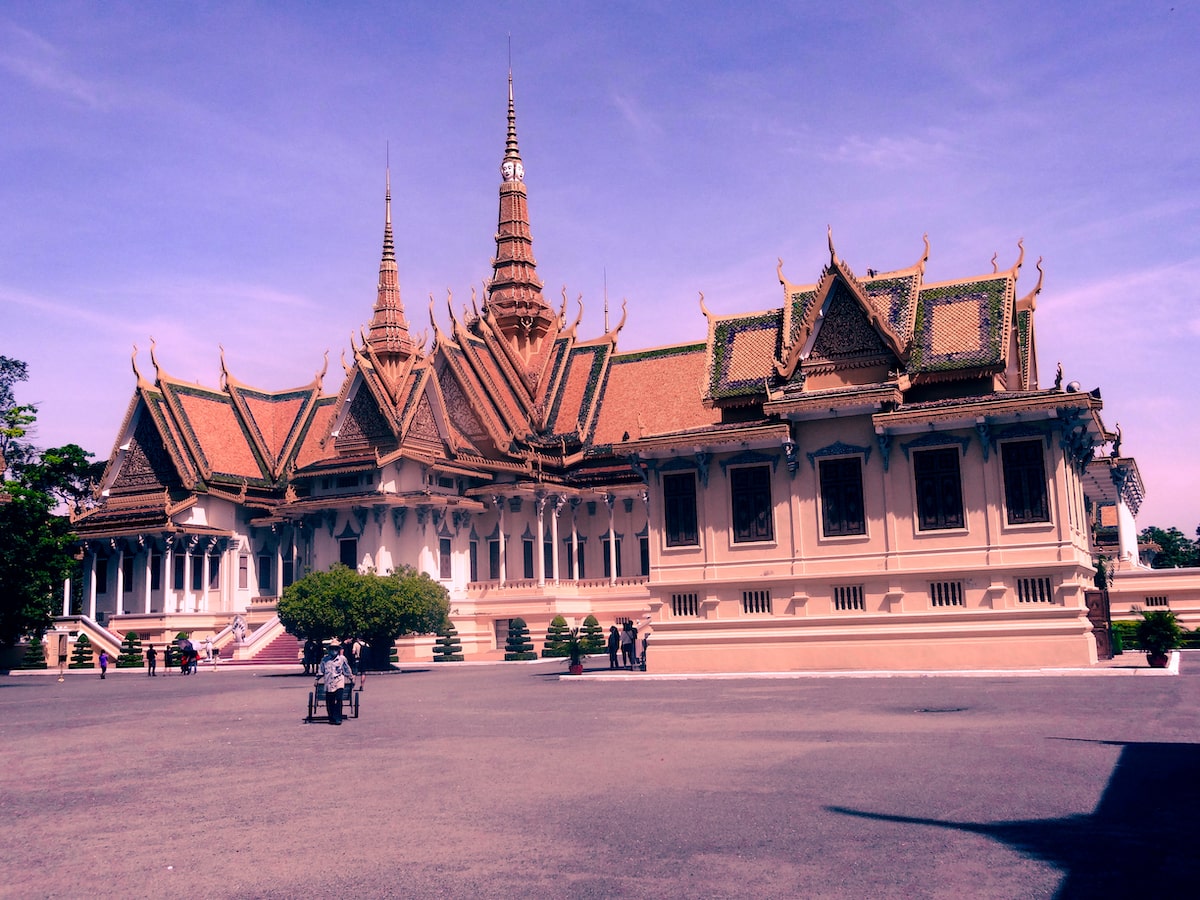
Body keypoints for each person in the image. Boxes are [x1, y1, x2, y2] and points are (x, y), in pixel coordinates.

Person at [319, 644, 353, 725]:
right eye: (332, 648)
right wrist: (317, 679)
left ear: (338, 649)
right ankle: (331, 717)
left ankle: (338, 718)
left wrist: (351, 677)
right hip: (328, 682)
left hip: (339, 681)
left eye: (335, 648)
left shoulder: (342, 659)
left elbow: (346, 669)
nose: (334, 650)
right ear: (329, 650)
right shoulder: (325, 660)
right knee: (330, 701)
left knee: (339, 699)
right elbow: (321, 670)